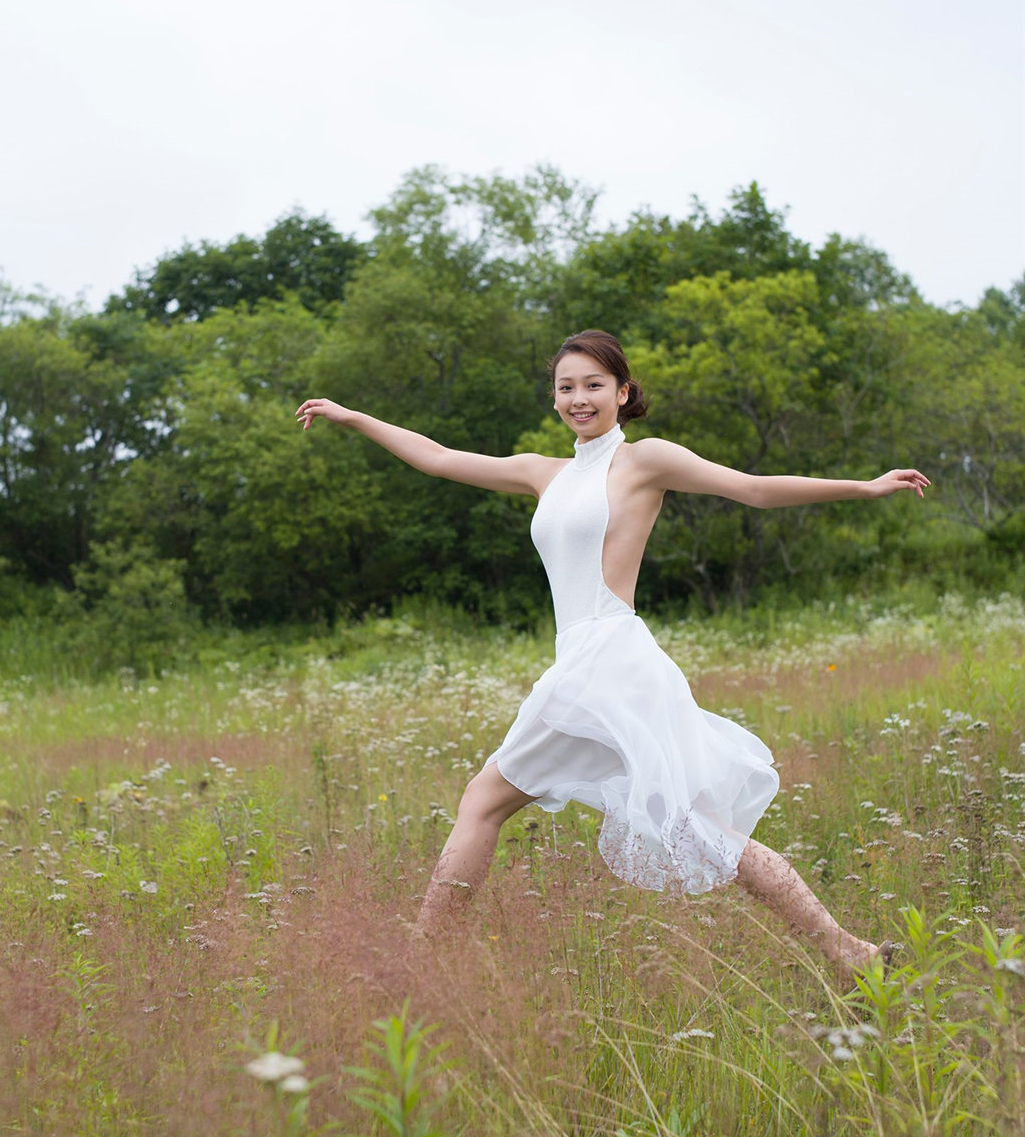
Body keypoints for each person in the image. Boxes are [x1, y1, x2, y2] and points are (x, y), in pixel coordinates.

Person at [296, 330, 930, 984]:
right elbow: (436, 457)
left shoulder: (643, 461)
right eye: (566, 387)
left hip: (607, 655)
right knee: (692, 827)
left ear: (622, 393)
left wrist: (864, 487)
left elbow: (754, 490)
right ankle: (851, 953)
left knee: (485, 801)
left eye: (594, 385)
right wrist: (351, 417)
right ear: (554, 398)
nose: (579, 398)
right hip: (595, 663)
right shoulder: (544, 472)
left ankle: (420, 965)